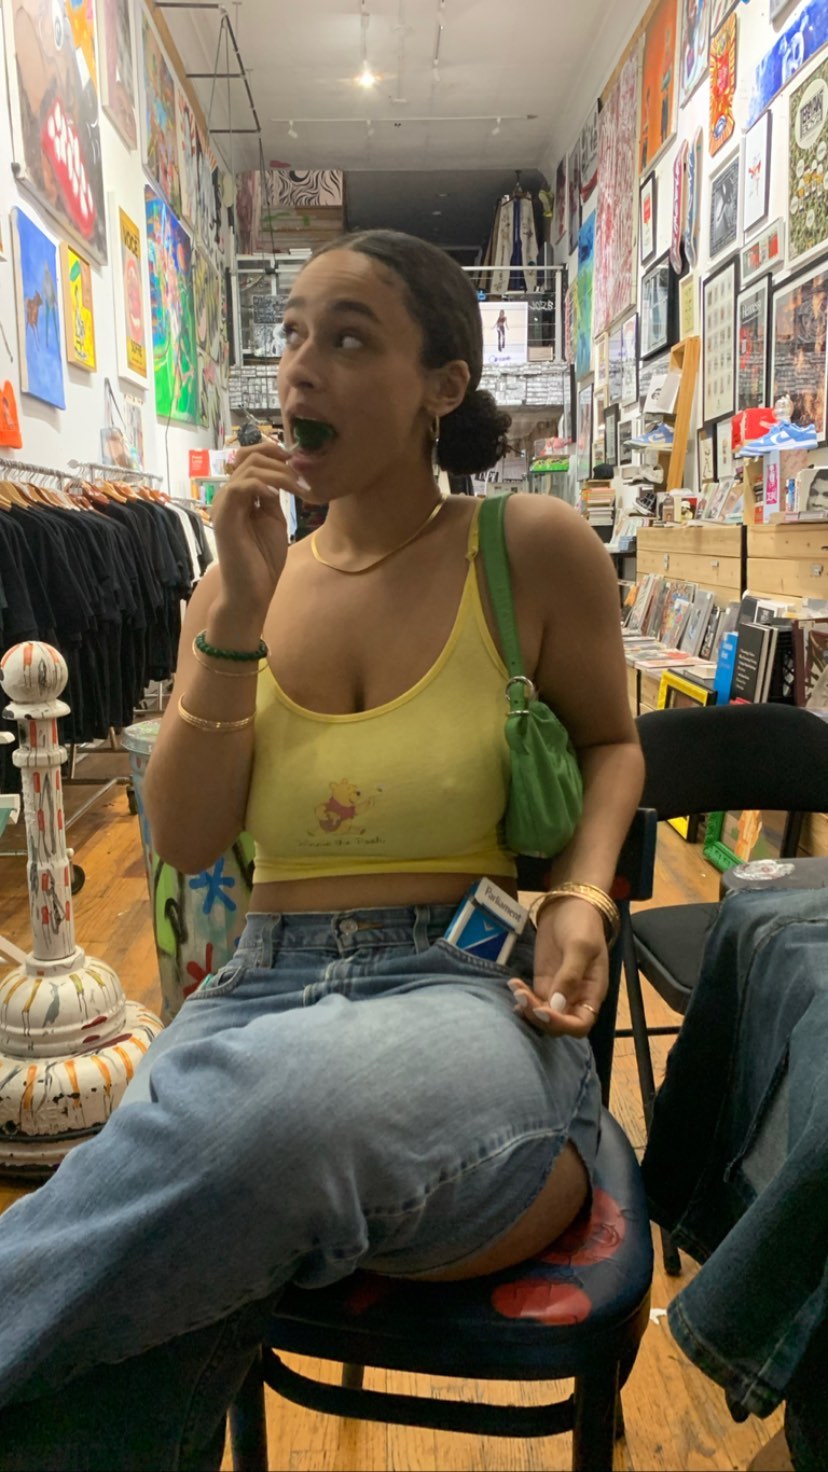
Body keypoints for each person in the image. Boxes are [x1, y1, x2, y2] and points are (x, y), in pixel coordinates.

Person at [0, 229, 643, 1469]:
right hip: (262, 989)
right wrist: (234, 616)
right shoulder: (240, 586)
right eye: (292, 333)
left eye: (348, 338)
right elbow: (191, 840)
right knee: (202, 1205)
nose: (301, 366)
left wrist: (582, 893)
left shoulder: (528, 546)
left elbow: (613, 743)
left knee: (245, 1123)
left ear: (443, 383)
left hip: (468, 993)